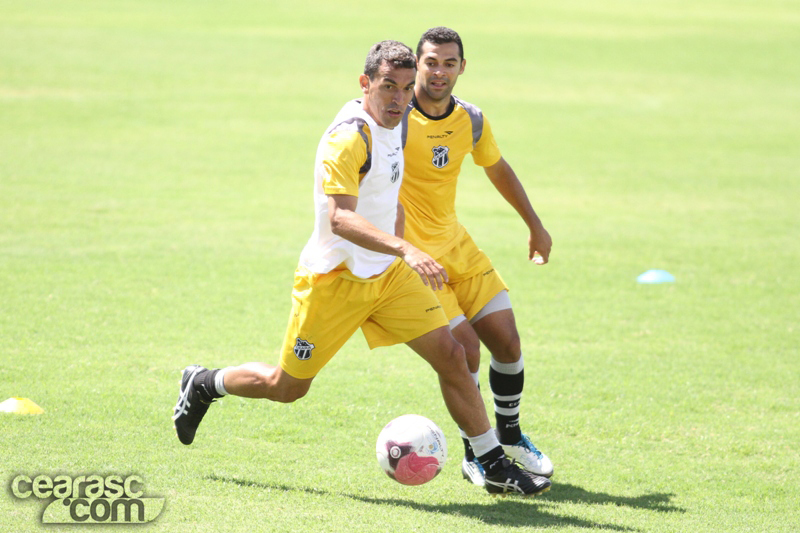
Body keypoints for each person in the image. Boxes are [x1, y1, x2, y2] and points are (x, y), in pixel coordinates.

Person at [172, 40, 551, 497]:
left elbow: (389, 200)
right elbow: (340, 218)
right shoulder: (350, 136)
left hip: (388, 279)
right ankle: (205, 382)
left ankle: (491, 462)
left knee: (454, 354)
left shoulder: (399, 125)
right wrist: (406, 249)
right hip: (334, 282)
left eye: (406, 89)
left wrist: (398, 253)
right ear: (365, 82)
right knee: (287, 386)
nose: (398, 98)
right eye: (388, 86)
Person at [400, 27, 555, 486]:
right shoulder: (394, 118)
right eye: (431, 62)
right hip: (416, 262)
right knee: (465, 349)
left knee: (506, 340)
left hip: (458, 247)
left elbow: (496, 166)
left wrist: (535, 224)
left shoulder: (471, 119)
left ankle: (509, 434)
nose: (440, 72)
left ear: (462, 67)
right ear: (417, 64)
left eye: (450, 63)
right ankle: (477, 453)